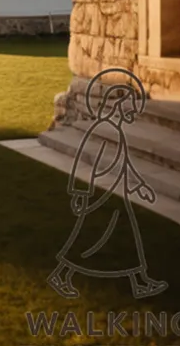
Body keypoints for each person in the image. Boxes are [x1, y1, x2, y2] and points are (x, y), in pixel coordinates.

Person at [48, 75, 168, 300]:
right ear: (119, 108)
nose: (132, 113)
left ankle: (140, 282)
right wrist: (81, 194)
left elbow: (124, 163)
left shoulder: (116, 130)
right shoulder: (103, 129)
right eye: (128, 108)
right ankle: (61, 275)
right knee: (88, 238)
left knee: (128, 236)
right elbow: (85, 158)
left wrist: (139, 185)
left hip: (114, 193)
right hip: (100, 194)